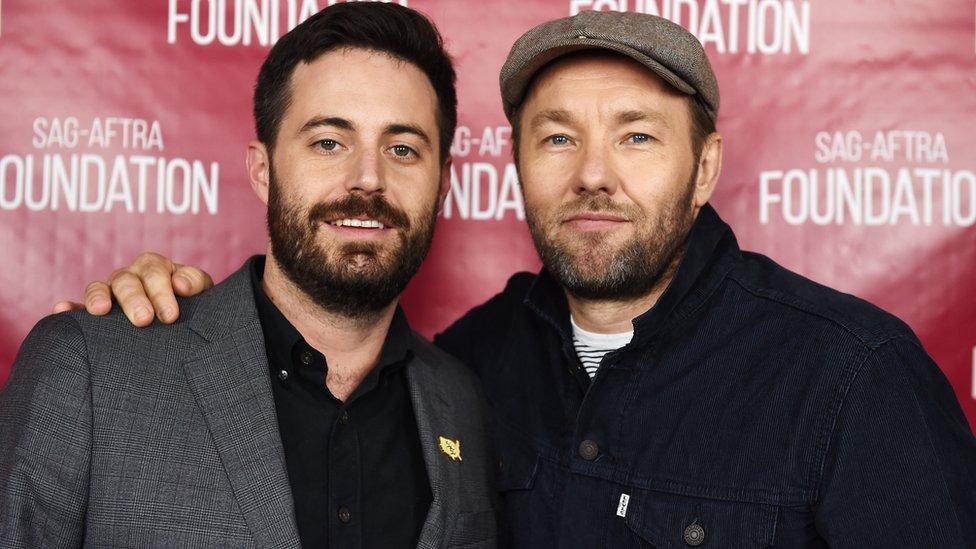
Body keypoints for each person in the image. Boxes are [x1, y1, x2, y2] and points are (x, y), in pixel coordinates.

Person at [53, 9, 976, 549]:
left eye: (638, 136)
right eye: (557, 136)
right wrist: (173, 321)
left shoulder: (854, 376)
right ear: (514, 166)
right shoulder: (457, 375)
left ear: (705, 167)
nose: (593, 174)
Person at [0, 4, 500, 548]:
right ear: (263, 172)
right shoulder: (90, 366)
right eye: (329, 142)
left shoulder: (462, 401)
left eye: (402, 149)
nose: (367, 179)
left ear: (443, 183)